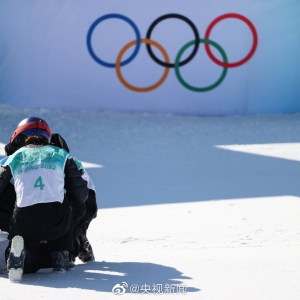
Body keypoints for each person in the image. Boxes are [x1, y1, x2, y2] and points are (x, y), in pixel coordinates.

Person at [0, 117, 89, 282]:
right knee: (70, 206)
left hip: (23, 221)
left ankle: (19, 246)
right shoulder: (62, 155)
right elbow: (81, 195)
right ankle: (61, 253)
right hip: (57, 221)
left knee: (15, 213)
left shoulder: (14, 157)